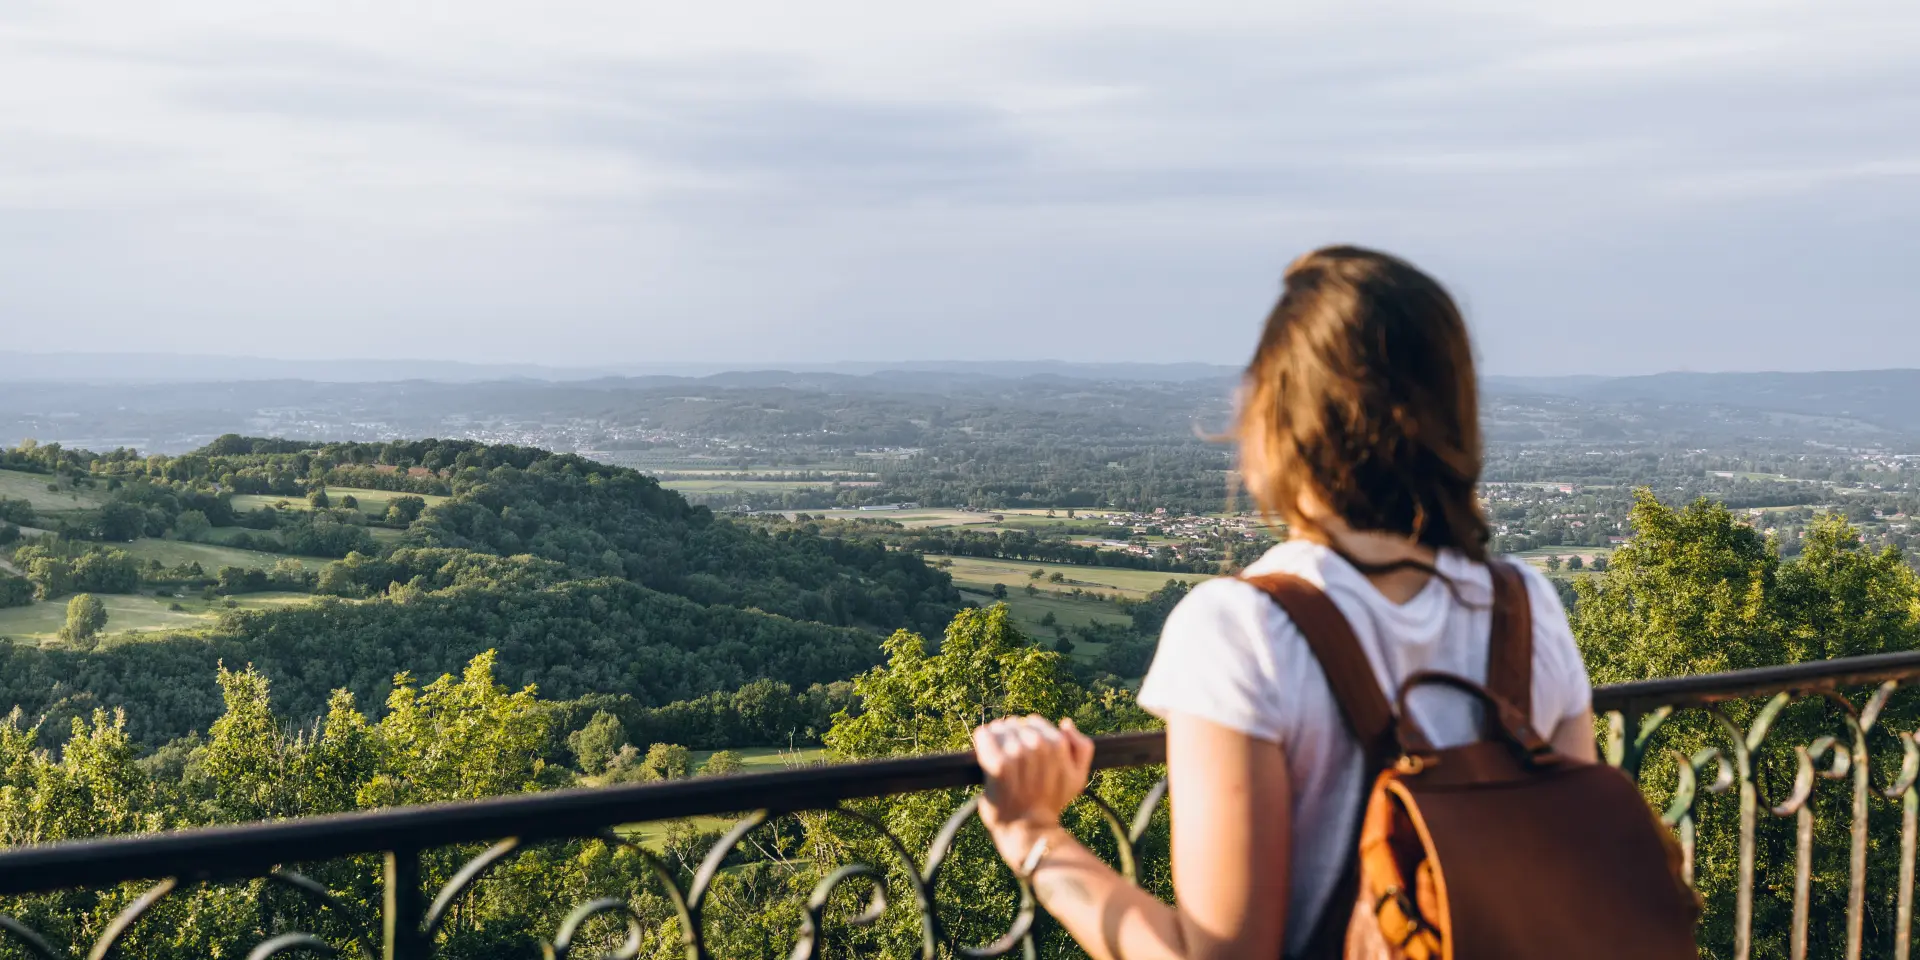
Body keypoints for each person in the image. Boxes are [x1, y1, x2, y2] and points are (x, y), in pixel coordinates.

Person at [971, 246, 1596, 960]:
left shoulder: (1240, 629)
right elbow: (1577, 863)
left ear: (1277, 420)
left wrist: (1034, 837)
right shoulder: (1526, 609)